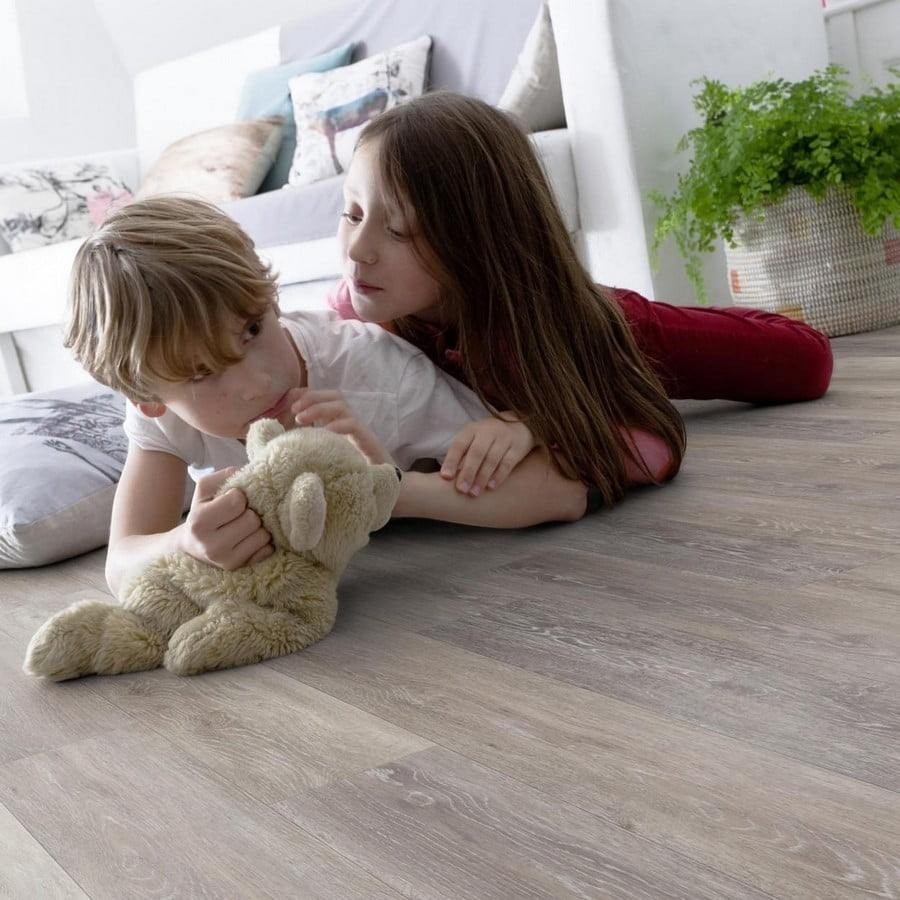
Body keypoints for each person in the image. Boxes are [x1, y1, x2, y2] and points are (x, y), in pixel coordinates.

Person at [65, 196, 591, 595]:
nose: (256, 383)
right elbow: (122, 564)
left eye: (252, 330)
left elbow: (563, 490)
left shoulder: (374, 375)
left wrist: (386, 492)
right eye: (204, 373)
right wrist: (184, 544)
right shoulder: (162, 413)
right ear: (148, 399)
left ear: (271, 297)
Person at [329, 91, 833, 504]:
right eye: (352, 213)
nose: (357, 249)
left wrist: (534, 425)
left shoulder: (603, 329)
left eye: (398, 229)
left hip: (584, 319)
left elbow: (807, 361)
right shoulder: (355, 315)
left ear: (478, 241)